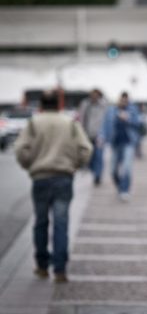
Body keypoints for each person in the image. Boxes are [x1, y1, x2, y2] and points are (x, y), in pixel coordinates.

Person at [14, 90, 92, 283]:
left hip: (40, 177)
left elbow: (20, 148)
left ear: (41, 104)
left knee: (41, 222)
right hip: (63, 177)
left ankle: (41, 266)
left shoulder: (34, 122)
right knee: (61, 223)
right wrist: (75, 165)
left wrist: (29, 165)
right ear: (59, 104)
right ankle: (60, 269)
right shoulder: (69, 123)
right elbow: (86, 148)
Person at [101, 92, 141, 202]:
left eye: (125, 100)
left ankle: (125, 190)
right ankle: (120, 186)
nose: (123, 102)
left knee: (127, 168)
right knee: (113, 170)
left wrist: (127, 118)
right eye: (121, 100)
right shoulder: (111, 110)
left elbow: (139, 123)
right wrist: (102, 137)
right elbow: (104, 125)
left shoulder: (133, 110)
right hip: (115, 143)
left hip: (128, 142)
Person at [78, 88, 107, 186]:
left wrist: (104, 133)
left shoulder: (103, 105)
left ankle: (97, 176)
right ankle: (93, 171)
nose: (94, 97)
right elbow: (81, 118)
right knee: (89, 156)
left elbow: (106, 120)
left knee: (99, 156)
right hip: (87, 134)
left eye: (96, 95)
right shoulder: (85, 104)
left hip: (99, 135)